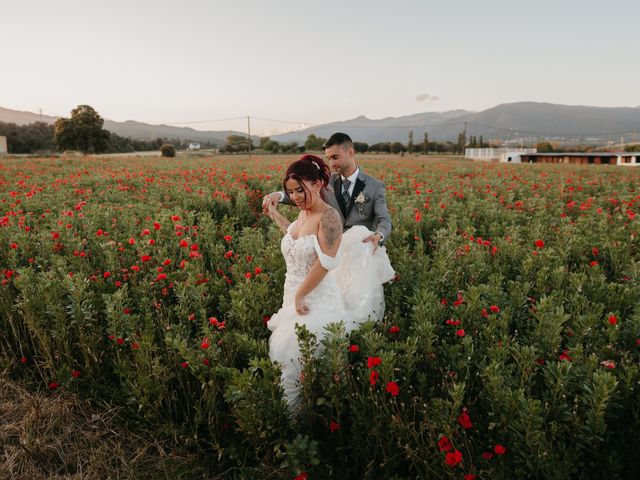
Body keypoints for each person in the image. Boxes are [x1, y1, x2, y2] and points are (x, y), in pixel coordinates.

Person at [265, 154, 394, 412]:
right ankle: (296, 423)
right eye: (291, 192)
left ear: (317, 184)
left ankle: (310, 426)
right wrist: (274, 213)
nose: (296, 197)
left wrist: (300, 295)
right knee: (290, 368)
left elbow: (325, 263)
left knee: (303, 368)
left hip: (315, 301)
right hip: (294, 297)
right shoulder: (303, 216)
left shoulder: (329, 217)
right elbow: (296, 240)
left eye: (300, 190)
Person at [262, 132, 392, 252]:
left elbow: (384, 219)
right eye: (329, 158)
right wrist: (278, 196)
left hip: (361, 252)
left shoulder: (374, 185)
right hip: (331, 250)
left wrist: (378, 236)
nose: (331, 164)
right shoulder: (325, 182)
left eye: (335, 157)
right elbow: (305, 196)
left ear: (351, 153)